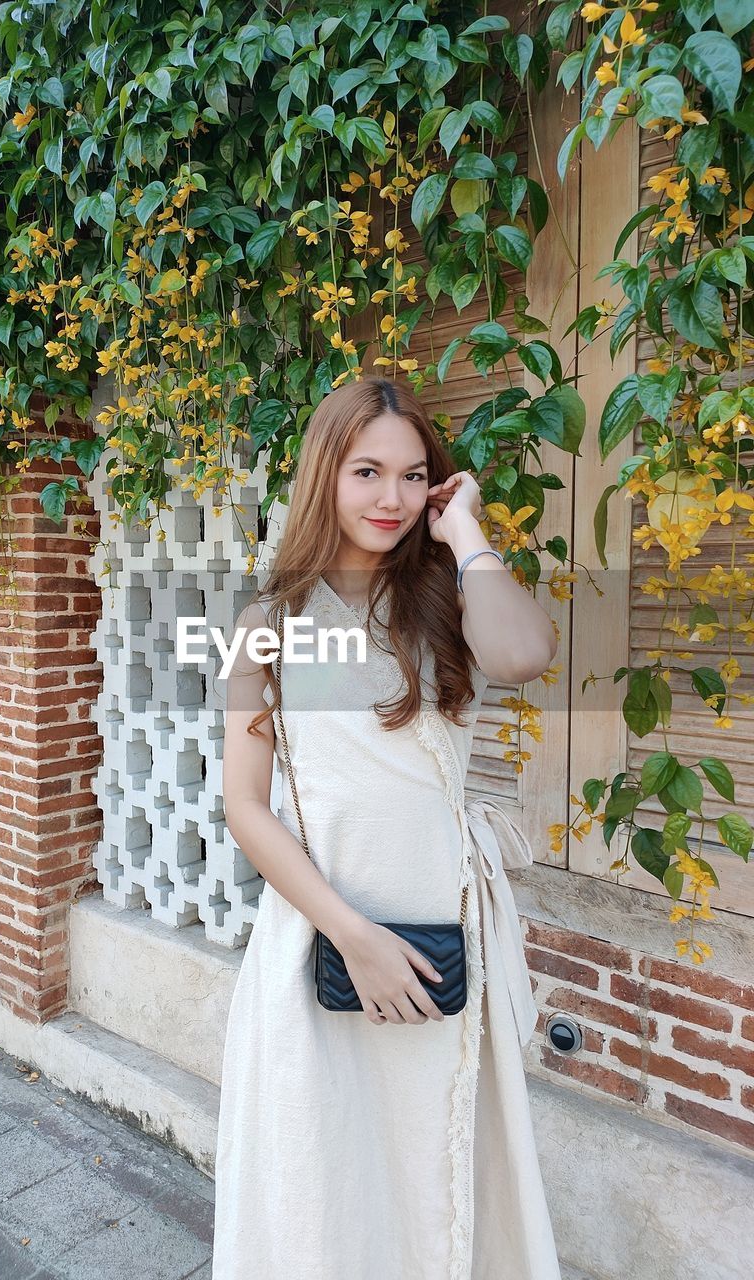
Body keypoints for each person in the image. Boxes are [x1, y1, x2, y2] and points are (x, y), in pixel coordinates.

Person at [212, 376, 562, 1279]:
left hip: (442, 938)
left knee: (432, 1174)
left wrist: (470, 531)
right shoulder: (268, 626)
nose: (392, 499)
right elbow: (247, 806)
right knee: (324, 1187)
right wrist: (350, 932)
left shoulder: (444, 600)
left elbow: (523, 656)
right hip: (321, 942)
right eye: (367, 471)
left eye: (415, 478)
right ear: (326, 474)